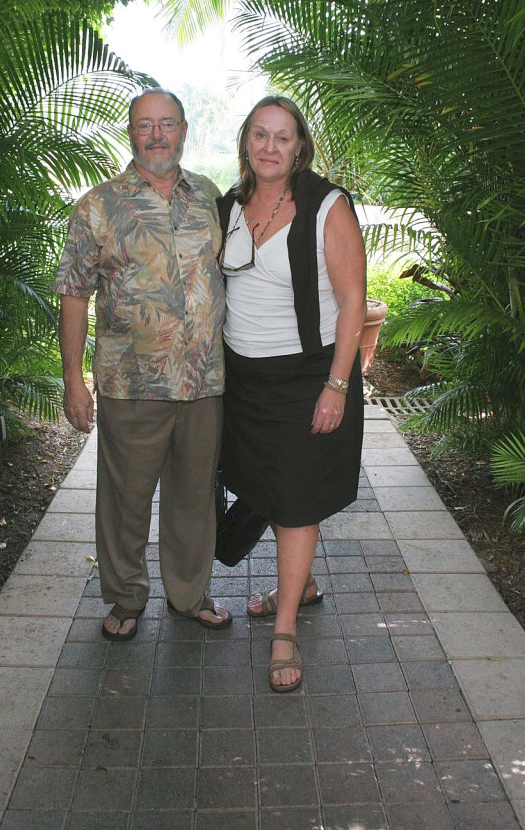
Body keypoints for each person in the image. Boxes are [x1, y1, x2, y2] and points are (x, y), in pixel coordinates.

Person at [53, 88, 232, 641]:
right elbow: (73, 293)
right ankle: (126, 598)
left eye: (167, 124)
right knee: (125, 500)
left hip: (204, 381)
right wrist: (72, 380)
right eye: (144, 125)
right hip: (130, 383)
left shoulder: (209, 196)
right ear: (131, 133)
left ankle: (189, 595)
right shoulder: (99, 206)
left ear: (184, 130)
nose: (156, 135)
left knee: (195, 497)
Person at [217, 95, 366, 691]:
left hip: (308, 375)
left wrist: (337, 384)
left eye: (282, 137)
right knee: (270, 487)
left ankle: (285, 632)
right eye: (260, 135)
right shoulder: (230, 204)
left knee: (297, 498)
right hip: (245, 379)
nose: (270, 147)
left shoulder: (326, 206)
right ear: (246, 142)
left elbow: (354, 301)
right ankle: (300, 584)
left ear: (300, 145)